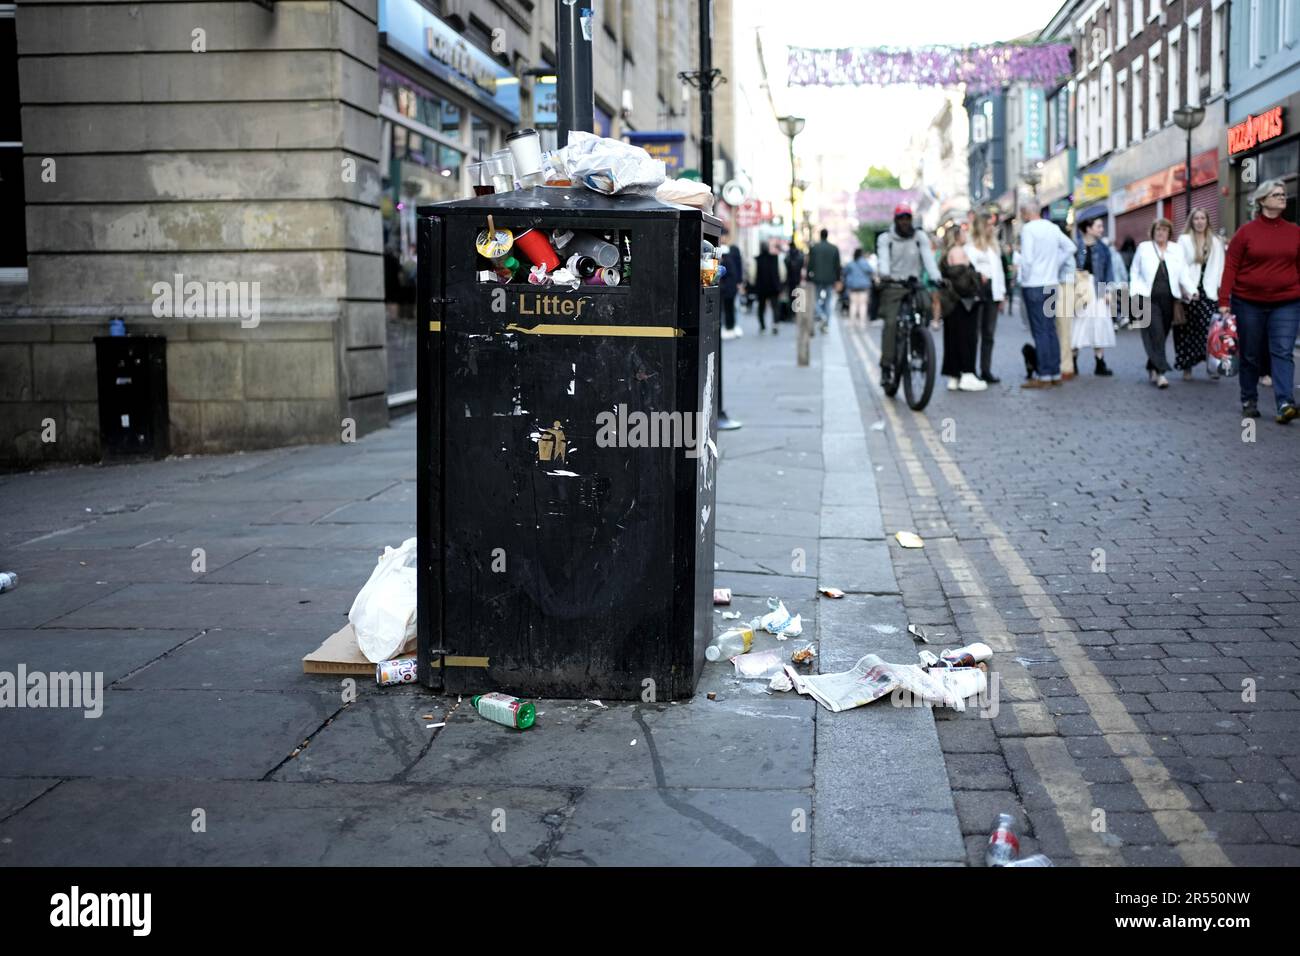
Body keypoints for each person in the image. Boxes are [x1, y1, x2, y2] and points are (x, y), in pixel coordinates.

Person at [1219, 178, 1300, 423]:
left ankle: (1285, 402)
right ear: (1263, 201)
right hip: (1248, 302)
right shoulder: (1246, 233)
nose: (1282, 197)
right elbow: (1231, 266)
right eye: (1276, 194)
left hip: (1287, 302)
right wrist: (1224, 299)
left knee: (1283, 352)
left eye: (1284, 194)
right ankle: (1249, 399)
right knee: (1251, 353)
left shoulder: (1295, 232)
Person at [875, 203, 941, 389]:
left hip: (914, 284)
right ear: (895, 220)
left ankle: (919, 345)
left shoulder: (919, 237)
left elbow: (928, 260)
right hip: (893, 285)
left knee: (927, 307)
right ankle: (887, 367)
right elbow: (883, 259)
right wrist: (885, 274)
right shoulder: (885, 239)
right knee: (890, 324)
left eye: (907, 218)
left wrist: (937, 278)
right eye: (901, 218)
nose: (904, 222)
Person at [1017, 202, 1076, 388]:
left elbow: (1026, 259)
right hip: (1051, 284)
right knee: (1050, 329)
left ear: (1026, 212)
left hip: (1034, 284)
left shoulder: (1028, 230)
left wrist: (1025, 277)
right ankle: (1055, 372)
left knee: (1040, 330)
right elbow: (1071, 247)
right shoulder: (1052, 228)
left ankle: (1044, 375)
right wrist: (1055, 264)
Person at [1130, 218, 1193, 389]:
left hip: (1169, 299)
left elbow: (1184, 273)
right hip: (1146, 297)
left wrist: (1191, 290)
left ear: (1169, 233)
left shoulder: (1176, 250)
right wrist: (1134, 293)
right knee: (1156, 332)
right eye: (1158, 229)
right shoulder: (1144, 248)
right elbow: (1134, 271)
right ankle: (1161, 373)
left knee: (1162, 334)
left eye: (1164, 230)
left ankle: (1152, 365)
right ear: (1153, 231)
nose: (1161, 233)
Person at [1176, 209, 1225, 380]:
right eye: (1196, 218)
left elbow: (1220, 267)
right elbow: (1179, 267)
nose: (1199, 221)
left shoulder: (1216, 241)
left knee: (1209, 331)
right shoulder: (1184, 240)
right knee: (1187, 331)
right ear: (1191, 221)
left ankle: (1212, 366)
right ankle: (1187, 367)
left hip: (1209, 291)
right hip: (1190, 291)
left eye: (1202, 218)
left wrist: (1221, 288)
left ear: (1207, 220)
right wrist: (1187, 289)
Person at [939, 226, 987, 392]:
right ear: (957, 236)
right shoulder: (958, 251)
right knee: (967, 338)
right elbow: (962, 280)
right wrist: (976, 275)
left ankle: (954, 376)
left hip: (951, 303)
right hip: (963, 303)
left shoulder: (948, 253)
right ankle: (967, 374)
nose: (966, 234)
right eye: (963, 232)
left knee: (952, 339)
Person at [1071, 215, 1117, 376]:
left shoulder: (1104, 249)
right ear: (1088, 228)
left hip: (1098, 291)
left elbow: (1109, 272)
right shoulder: (1075, 246)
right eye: (1098, 226)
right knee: (1078, 326)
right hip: (1081, 292)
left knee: (1099, 325)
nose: (1101, 229)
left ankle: (1100, 362)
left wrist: (1108, 291)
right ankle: (1072, 361)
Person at [964, 214, 1006, 382]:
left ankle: (985, 370)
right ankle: (970, 370)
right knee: (973, 333)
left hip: (992, 292)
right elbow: (967, 270)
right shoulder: (969, 247)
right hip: (976, 292)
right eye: (988, 225)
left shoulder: (993, 247)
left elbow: (1000, 272)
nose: (991, 228)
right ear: (981, 227)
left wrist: (1002, 295)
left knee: (989, 333)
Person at [807, 229, 842, 333]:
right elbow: (837, 265)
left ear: (820, 235)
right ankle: (825, 322)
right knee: (827, 300)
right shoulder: (834, 248)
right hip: (830, 278)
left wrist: (809, 276)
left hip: (816, 278)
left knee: (815, 299)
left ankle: (821, 315)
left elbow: (810, 263)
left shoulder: (814, 248)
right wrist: (838, 278)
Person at [752, 241, 784, 334]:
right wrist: (780, 283)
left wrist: (754, 283)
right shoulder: (775, 258)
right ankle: (775, 325)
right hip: (774, 287)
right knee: (775, 306)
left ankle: (762, 326)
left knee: (761, 307)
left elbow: (752, 274)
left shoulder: (757, 259)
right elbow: (782, 272)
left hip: (761, 288)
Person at [719, 231, 744, 340]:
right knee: (726, 306)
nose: (724, 238)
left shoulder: (734, 250)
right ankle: (728, 327)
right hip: (725, 284)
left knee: (734, 305)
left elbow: (739, 266)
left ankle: (733, 326)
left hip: (732, 283)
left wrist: (739, 281)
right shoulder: (721, 249)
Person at [843, 248, 875, 325]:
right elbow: (871, 271)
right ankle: (862, 322)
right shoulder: (865, 263)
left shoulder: (851, 263)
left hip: (853, 286)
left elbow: (844, 272)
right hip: (864, 286)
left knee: (853, 304)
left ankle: (852, 321)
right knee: (863, 304)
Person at [783, 241, 805, 325]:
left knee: (791, 297)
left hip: (790, 279)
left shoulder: (789, 255)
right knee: (797, 297)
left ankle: (791, 315)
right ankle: (796, 315)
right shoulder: (799, 255)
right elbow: (801, 263)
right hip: (797, 279)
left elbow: (786, 262)